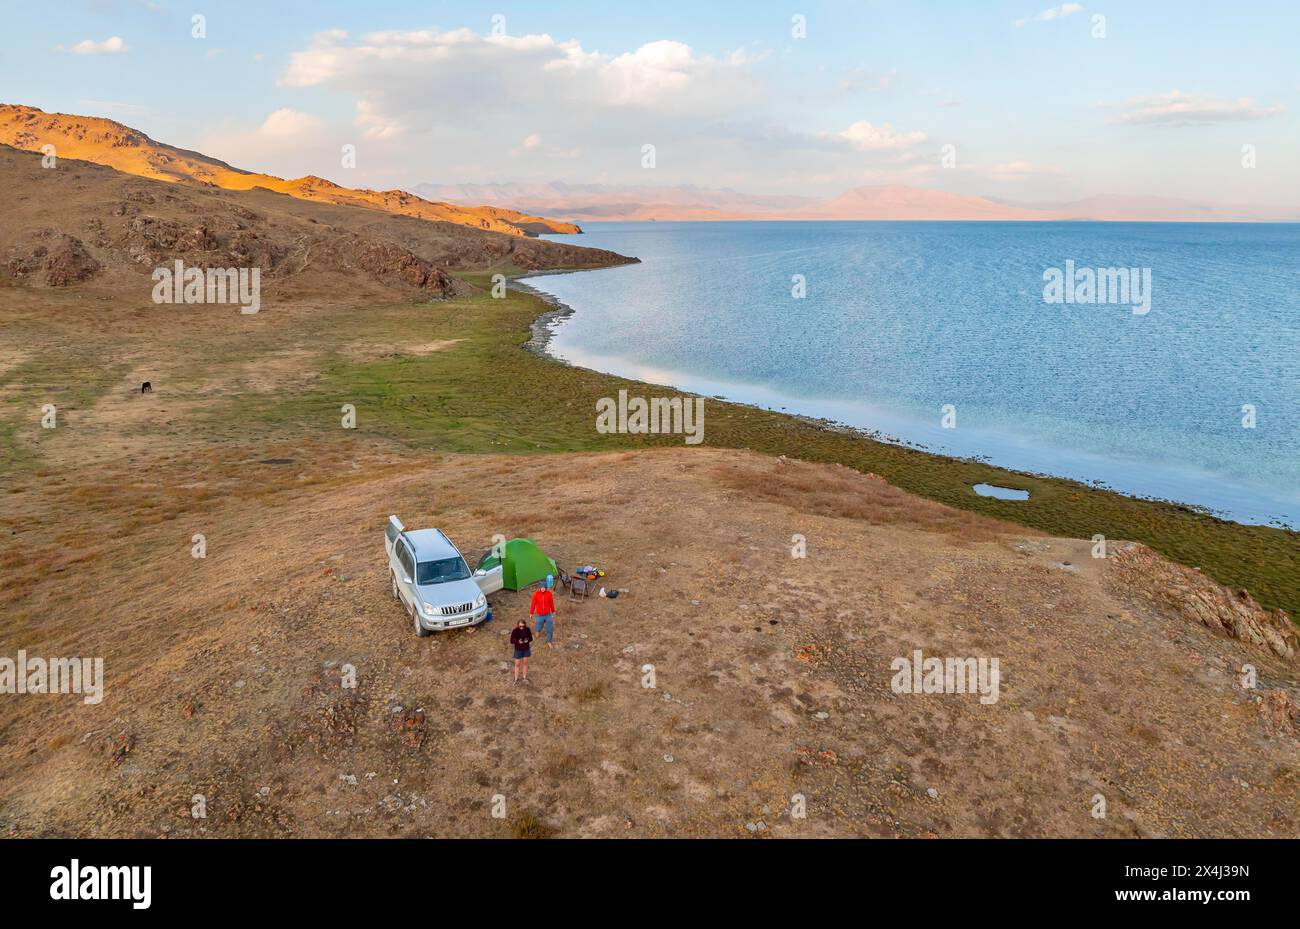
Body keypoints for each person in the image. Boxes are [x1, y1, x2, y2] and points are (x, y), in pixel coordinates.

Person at [531, 575, 557, 647]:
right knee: (539, 624)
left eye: (544, 588)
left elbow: (551, 603)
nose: (542, 589)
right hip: (540, 614)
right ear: (540, 588)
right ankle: (538, 631)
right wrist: (531, 612)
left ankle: (549, 641)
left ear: (546, 588)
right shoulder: (536, 594)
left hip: (547, 614)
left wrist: (553, 611)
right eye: (541, 587)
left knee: (550, 627)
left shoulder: (549, 594)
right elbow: (533, 604)